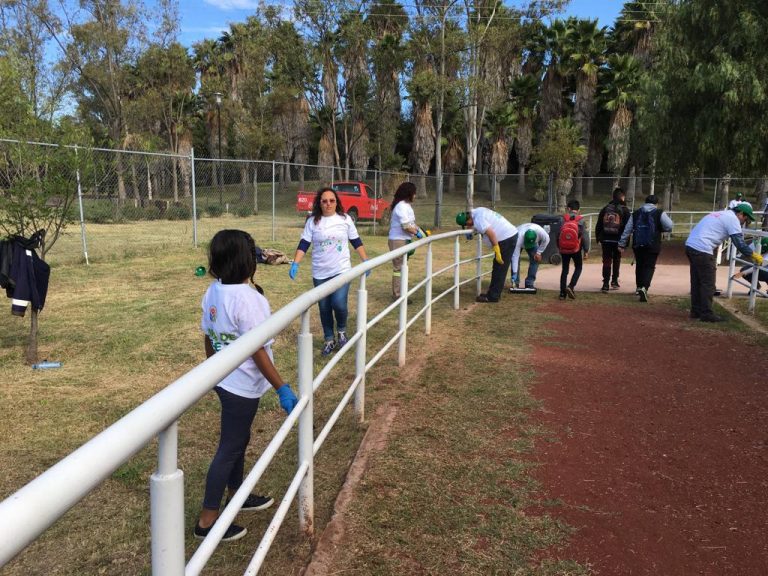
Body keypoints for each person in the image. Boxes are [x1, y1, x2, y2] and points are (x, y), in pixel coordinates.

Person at [196, 229, 299, 542]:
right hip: (240, 385)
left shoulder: (213, 291)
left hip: (226, 381)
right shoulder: (248, 299)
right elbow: (257, 349)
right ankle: (207, 521)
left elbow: (208, 337)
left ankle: (237, 495)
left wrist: (213, 370)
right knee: (230, 446)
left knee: (239, 439)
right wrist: (282, 387)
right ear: (246, 260)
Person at [289, 187, 369, 355]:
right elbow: (304, 243)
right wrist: (295, 263)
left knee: (339, 304)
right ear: (319, 203)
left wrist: (365, 261)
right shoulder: (312, 221)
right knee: (324, 308)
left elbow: (356, 241)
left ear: (336, 202)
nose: (328, 204)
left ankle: (341, 331)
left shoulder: (345, 219)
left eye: (332, 200)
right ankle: (329, 339)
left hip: (342, 270)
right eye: (324, 201)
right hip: (320, 273)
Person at [685, 203, 763, 322]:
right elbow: (739, 243)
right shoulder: (733, 219)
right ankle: (706, 314)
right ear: (740, 214)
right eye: (745, 218)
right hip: (702, 249)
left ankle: (696, 311)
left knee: (697, 281)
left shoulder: (721, 214)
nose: (745, 221)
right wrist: (753, 255)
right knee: (708, 283)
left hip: (691, 245)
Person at [618, 194, 674, 302]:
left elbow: (627, 229)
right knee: (649, 266)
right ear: (656, 204)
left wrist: (622, 243)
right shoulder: (659, 213)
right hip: (653, 244)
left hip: (638, 244)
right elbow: (670, 225)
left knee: (640, 265)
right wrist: (660, 228)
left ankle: (639, 287)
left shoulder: (636, 213)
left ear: (645, 202)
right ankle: (645, 287)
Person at [455, 208, 518, 303]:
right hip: (509, 235)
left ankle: (493, 296)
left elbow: (491, 233)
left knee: (500, 268)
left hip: (506, 239)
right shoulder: (477, 211)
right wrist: (475, 230)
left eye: (468, 224)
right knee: (497, 266)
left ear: (469, 219)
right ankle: (492, 293)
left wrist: (497, 250)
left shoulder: (478, 220)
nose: (469, 226)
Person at [388, 181, 426, 300]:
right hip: (398, 240)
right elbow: (406, 226)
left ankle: (401, 292)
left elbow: (411, 224)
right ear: (409, 193)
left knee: (403, 267)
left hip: (405, 239)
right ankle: (398, 295)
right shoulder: (401, 206)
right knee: (398, 268)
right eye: (414, 193)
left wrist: (421, 231)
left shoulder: (406, 206)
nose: (415, 196)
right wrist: (418, 233)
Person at [595, 187, 631, 291]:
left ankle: (605, 284)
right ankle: (614, 281)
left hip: (606, 239)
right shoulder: (625, 210)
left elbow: (599, 225)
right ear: (622, 197)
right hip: (618, 240)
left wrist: (598, 238)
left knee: (606, 260)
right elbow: (627, 228)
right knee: (616, 259)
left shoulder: (605, 208)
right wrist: (625, 243)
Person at [557, 199, 590, 300]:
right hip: (576, 248)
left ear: (568, 208)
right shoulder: (581, 220)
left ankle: (562, 293)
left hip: (564, 249)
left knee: (565, 270)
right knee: (578, 267)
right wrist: (586, 250)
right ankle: (571, 286)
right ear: (578, 209)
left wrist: (559, 247)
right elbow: (584, 236)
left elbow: (558, 235)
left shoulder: (563, 219)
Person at [509, 223, 550, 289]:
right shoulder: (518, 238)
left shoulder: (541, 233)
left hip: (533, 243)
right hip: (519, 239)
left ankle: (529, 283)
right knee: (516, 261)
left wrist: (539, 253)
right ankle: (515, 283)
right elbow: (515, 257)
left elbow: (546, 240)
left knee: (535, 260)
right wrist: (514, 273)